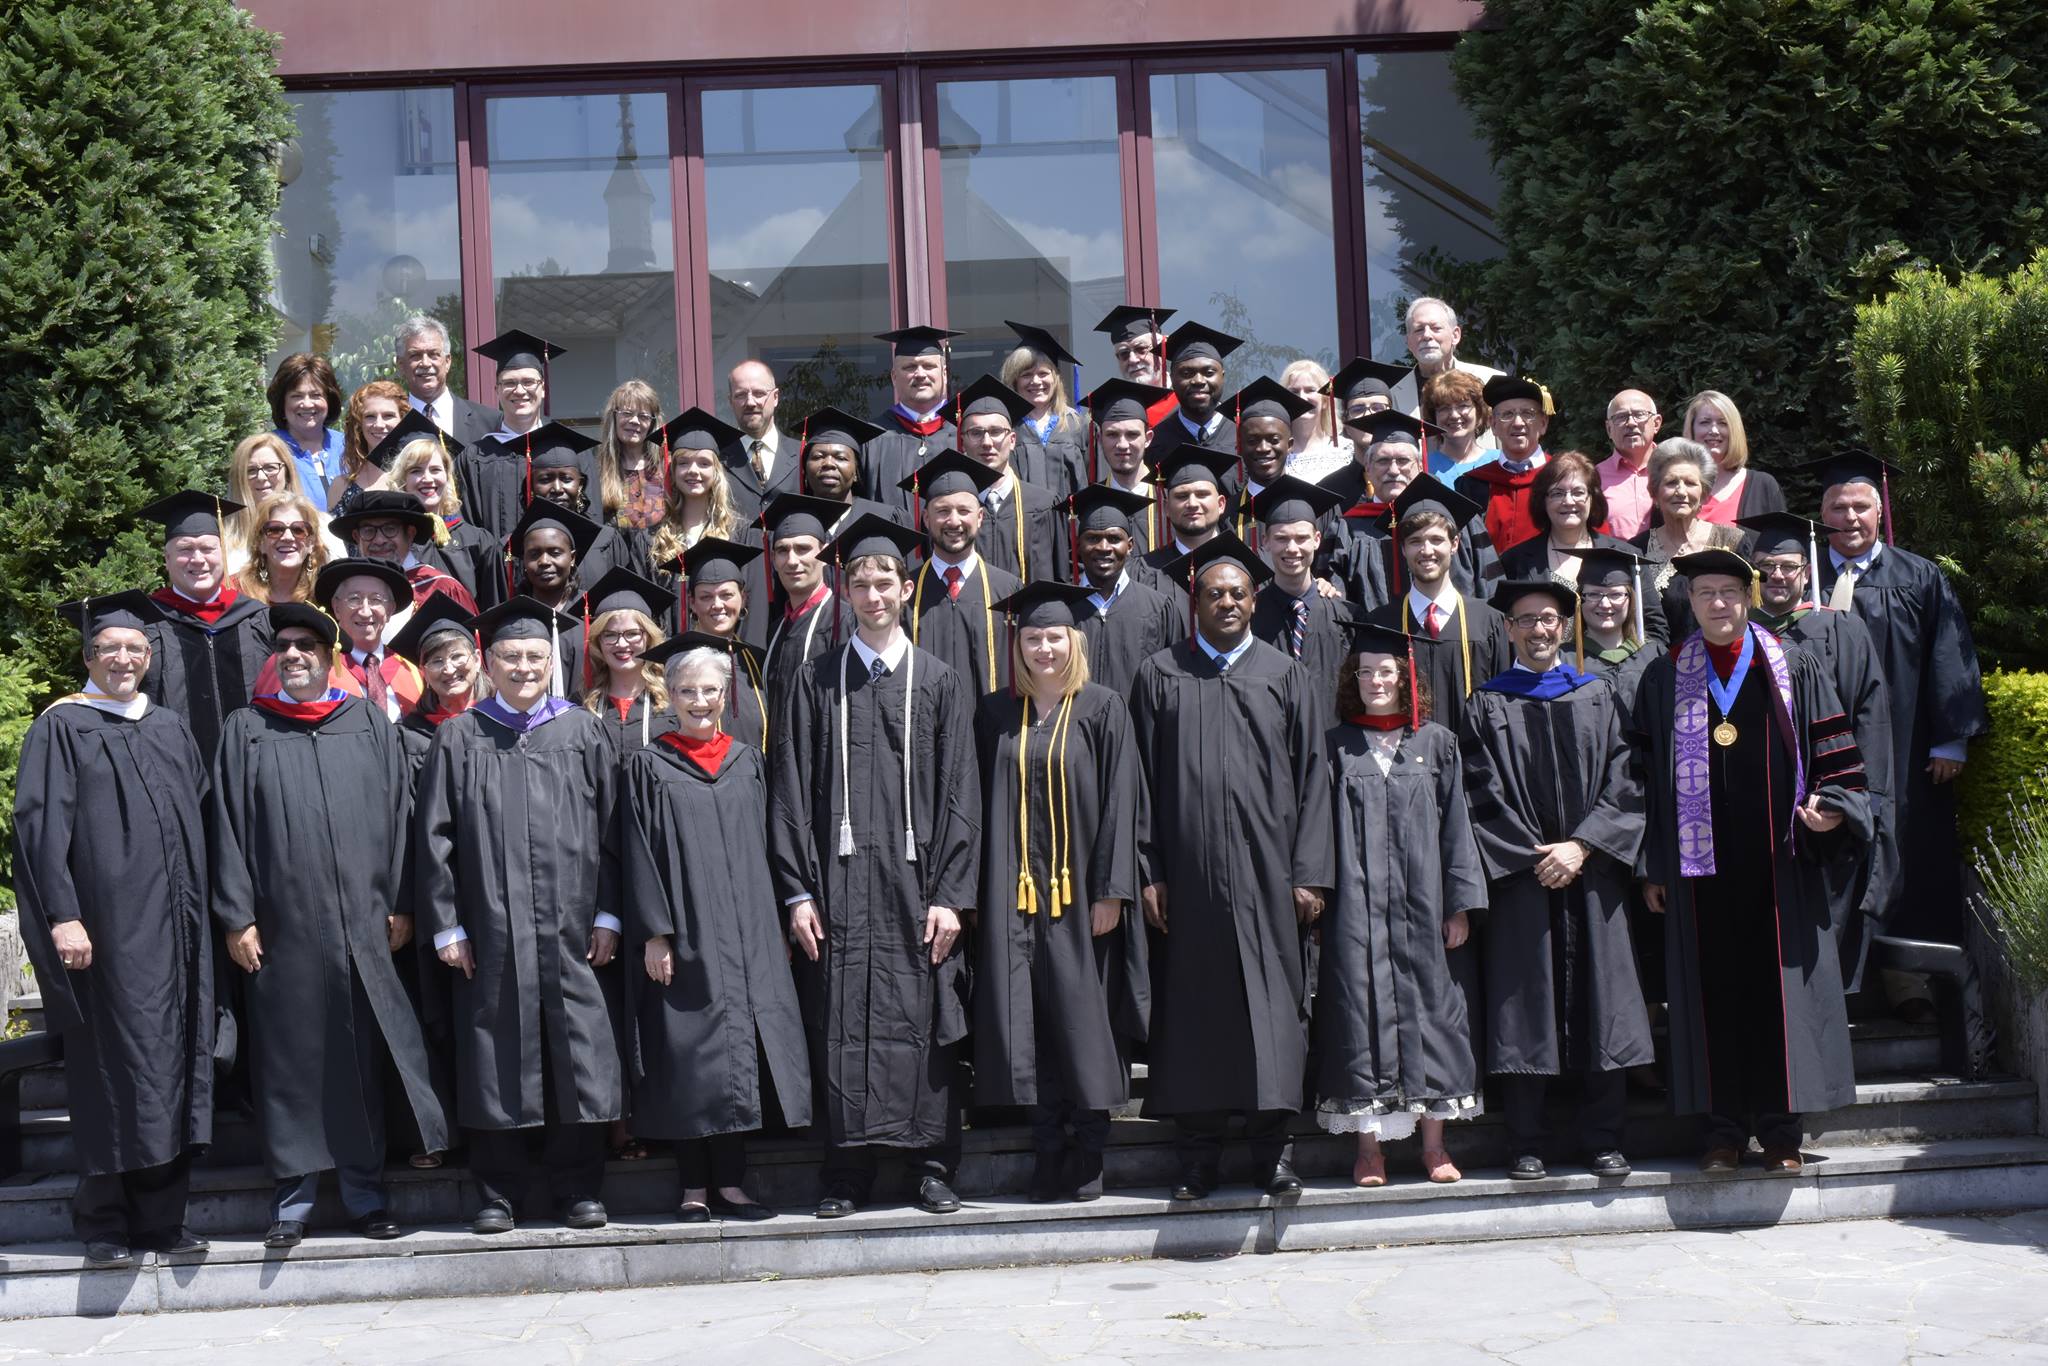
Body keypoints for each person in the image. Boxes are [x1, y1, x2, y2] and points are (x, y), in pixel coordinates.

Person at [211, 601, 448, 1249]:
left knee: (360, 1061)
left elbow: (401, 818)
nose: (293, 655)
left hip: (363, 928)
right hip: (279, 931)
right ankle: (292, 1202)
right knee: (289, 1062)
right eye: (283, 646)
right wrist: (236, 916)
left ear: (328, 656)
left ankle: (366, 1197)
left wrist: (402, 902)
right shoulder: (246, 728)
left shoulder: (366, 721)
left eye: (307, 646)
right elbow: (226, 826)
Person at [769, 514, 980, 1218]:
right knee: (841, 1018)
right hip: (837, 888)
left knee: (925, 1014)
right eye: (859, 583)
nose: (873, 594)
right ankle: (846, 1172)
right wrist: (797, 891)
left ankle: (931, 1165)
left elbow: (962, 794)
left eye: (884, 581)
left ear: (905, 587)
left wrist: (950, 895)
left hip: (917, 890)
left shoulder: (940, 681)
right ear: (845, 591)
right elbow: (790, 789)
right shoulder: (815, 682)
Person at [1635, 548, 1871, 1175]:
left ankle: (1781, 1133)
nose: (1717, 603)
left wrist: (1834, 809)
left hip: (1780, 863)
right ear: (1690, 601)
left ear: (1749, 597)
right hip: (1697, 872)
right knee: (1712, 994)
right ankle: (1722, 1133)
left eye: (1729, 592)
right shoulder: (1664, 676)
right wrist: (1653, 863)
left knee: (1778, 995)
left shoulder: (1792, 665)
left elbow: (1836, 754)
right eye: (1704, 592)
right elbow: (1643, 779)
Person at [12, 592, 214, 1267]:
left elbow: (202, 817)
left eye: (135, 648)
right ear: (88, 656)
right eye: (110, 649)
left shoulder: (168, 726)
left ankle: (163, 1221)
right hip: (106, 930)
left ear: (148, 658)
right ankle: (104, 1222)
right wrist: (63, 915)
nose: (123, 659)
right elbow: (41, 830)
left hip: (177, 929)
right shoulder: (63, 726)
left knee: (172, 1065)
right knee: (112, 1066)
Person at [1130, 533, 1333, 1200]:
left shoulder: (1285, 675)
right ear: (1196, 602)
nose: (1227, 603)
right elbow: (1140, 784)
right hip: (1188, 881)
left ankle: (1274, 1156)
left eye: (1238, 594)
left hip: (1270, 880)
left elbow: (1313, 779)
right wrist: (1150, 871)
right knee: (1195, 1018)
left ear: (1253, 601)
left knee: (1273, 1016)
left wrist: (1309, 874)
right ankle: (1197, 1160)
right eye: (1214, 593)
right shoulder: (1160, 674)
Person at [414, 596, 626, 1234]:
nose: (524, 667)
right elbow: (434, 838)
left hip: (573, 926)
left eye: (535, 656)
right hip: (492, 928)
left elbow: (615, 831)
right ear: (489, 663)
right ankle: (497, 1192)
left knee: (576, 1052)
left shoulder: (582, 731)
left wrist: (611, 915)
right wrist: (447, 924)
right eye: (511, 657)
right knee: (494, 1050)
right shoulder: (460, 736)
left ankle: (578, 1187)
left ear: (551, 661)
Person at [1459, 579, 1651, 1182]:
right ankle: (1526, 1142)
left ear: (1565, 628)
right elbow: (1477, 793)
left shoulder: (1599, 695)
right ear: (1508, 629)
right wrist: (1535, 856)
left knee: (1605, 998)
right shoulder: (1486, 704)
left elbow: (1628, 777)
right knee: (1525, 1004)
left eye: (1548, 619)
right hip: (1523, 879)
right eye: (1526, 620)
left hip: (1593, 875)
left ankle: (1604, 1139)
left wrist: (1583, 845)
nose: (1539, 630)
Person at [618, 640, 812, 1222]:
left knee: (738, 1052)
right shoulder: (648, 764)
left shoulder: (748, 761)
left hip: (749, 929)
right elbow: (637, 852)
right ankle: (693, 1189)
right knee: (690, 1056)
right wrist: (655, 934)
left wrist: (781, 915)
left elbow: (774, 844)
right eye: (687, 691)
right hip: (686, 932)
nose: (699, 701)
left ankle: (731, 1184)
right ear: (669, 697)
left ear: (726, 696)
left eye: (709, 690)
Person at [973, 581, 1146, 1203]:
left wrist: (1112, 892)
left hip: (1081, 899)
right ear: (1016, 645)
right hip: (1011, 898)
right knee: (1031, 1022)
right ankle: (1047, 1150)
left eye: (1054, 637)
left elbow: (1124, 802)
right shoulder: (995, 713)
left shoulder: (1102, 707)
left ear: (1075, 641)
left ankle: (1089, 1151)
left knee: (1083, 1022)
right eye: (1032, 638)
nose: (1043, 648)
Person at [1315, 619, 1486, 1187]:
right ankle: (1369, 1151)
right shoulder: (1335, 745)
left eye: (1385, 671)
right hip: (1355, 909)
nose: (1375, 682)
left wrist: (1459, 904)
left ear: (1406, 676)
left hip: (1425, 906)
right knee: (1359, 1012)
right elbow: (1316, 830)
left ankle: (1434, 1146)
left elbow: (1457, 829)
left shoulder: (1436, 743)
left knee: (1434, 1014)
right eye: (1364, 673)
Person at [1813, 450, 1988, 957]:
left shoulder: (1918, 576)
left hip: (1907, 743)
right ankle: (1836, 974)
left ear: (1879, 511)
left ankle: (1915, 972)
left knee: (1911, 842)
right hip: (1827, 744)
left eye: (1860, 507)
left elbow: (1948, 653)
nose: (1850, 518)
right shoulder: (1803, 578)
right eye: (1838, 507)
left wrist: (1950, 740)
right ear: (1821, 514)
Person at [1740, 510, 1897, 994]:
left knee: (1824, 923)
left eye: (1788, 566)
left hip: (1822, 808)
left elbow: (1870, 718)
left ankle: (1828, 1011)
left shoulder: (1841, 630)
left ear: (1806, 571)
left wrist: (1845, 798)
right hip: (1757, 808)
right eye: (1766, 567)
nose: (1777, 576)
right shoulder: (1735, 635)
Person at [1363, 474, 1511, 739]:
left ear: (1454, 544)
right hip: (1403, 760)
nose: (1426, 550)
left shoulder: (1489, 622)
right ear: (1403, 549)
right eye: (1415, 541)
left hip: (1476, 759)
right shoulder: (1382, 625)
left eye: (1436, 539)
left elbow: (1504, 708)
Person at [137, 489, 270, 757]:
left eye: (208, 549)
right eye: (185, 549)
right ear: (167, 559)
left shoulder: (257, 618)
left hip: (254, 762)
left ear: (222, 554)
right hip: (175, 765)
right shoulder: (147, 623)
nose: (198, 559)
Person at [1498, 451, 1669, 647]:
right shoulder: (1516, 561)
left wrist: (1631, 662)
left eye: (1578, 492)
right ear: (1543, 501)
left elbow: (1655, 628)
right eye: (1557, 493)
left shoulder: (1628, 556)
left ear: (1592, 498)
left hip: (1617, 665)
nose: (1568, 501)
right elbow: (1505, 630)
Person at [457, 329, 600, 540]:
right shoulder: (474, 458)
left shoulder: (573, 451)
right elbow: (467, 530)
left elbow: (592, 520)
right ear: (497, 390)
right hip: (496, 561)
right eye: (509, 383)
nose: (519, 391)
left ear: (543, 389)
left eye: (528, 382)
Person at [902, 448, 1022, 697]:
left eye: (964, 511)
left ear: (980, 517)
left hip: (991, 721)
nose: (954, 521)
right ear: (926, 519)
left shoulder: (1008, 591)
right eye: (942, 511)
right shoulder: (905, 593)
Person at [1249, 475, 1352, 724]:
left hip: (1331, 741)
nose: (1292, 549)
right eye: (1281, 538)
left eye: (1302, 538)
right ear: (1265, 542)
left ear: (1317, 540)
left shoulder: (1345, 617)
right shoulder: (1250, 618)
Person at [1069, 484, 1187, 694]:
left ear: (1130, 546)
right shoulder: (1064, 607)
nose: (1104, 548)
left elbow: (1174, 683)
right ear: (1078, 546)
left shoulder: (1159, 608)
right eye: (1093, 538)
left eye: (1114, 539)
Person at [954, 375, 1068, 583]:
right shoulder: (953, 510)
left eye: (996, 431)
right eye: (976, 433)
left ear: (1013, 440)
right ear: (962, 443)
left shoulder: (1045, 505)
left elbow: (1061, 578)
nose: (987, 442)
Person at [388, 421, 504, 613]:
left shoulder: (478, 541)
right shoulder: (393, 541)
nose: (427, 479)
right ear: (402, 480)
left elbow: (494, 611)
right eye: (416, 471)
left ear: (447, 476)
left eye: (435, 470)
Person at [760, 493, 858, 718]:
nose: (792, 561)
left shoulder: (844, 621)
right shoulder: (776, 630)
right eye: (782, 550)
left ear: (824, 553)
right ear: (773, 559)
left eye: (802, 548)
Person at [1634, 438, 1746, 635]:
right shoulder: (1637, 551)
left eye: (1690, 483)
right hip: (1660, 654)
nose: (1681, 491)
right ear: (1655, 493)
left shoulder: (1732, 541)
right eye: (1671, 483)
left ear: (1704, 493)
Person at [506, 498, 604, 694]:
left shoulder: (594, 612)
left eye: (555, 552)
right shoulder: (512, 615)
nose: (544, 561)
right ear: (524, 560)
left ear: (572, 558)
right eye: (534, 554)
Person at [862, 325, 962, 513]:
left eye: (929, 366)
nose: (920, 374)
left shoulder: (965, 433)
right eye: (910, 367)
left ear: (945, 374)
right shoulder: (872, 438)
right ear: (894, 377)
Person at [579, 567, 679, 754]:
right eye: (610, 635)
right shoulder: (582, 703)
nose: (622, 643)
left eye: (632, 634)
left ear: (649, 637)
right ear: (598, 641)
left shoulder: (672, 700)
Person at [313, 556, 426, 722]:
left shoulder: (412, 672)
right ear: (336, 608)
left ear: (390, 610)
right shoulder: (318, 668)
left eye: (376, 600)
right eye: (354, 599)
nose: (365, 612)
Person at [329, 489, 478, 615]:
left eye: (390, 529)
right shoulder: (346, 593)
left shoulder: (443, 590)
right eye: (368, 531)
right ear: (356, 537)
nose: (379, 540)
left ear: (410, 533)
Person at [680, 539, 772, 742]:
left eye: (726, 595)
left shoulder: (758, 662)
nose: (717, 605)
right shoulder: (678, 662)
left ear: (743, 598)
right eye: (706, 597)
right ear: (692, 603)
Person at [387, 592, 489, 775]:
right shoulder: (410, 736)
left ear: (476, 659)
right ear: (423, 671)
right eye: (437, 661)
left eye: (457, 656)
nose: (448, 669)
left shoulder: (501, 719)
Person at [1458, 375, 1553, 554]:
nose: (1518, 423)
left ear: (1543, 423)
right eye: (1507, 414)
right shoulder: (1472, 485)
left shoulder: (1563, 478)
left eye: (1528, 414)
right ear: (1493, 425)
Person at [647, 407, 746, 575]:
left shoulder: (740, 533)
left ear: (716, 472)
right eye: (683, 463)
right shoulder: (652, 539)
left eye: (704, 463)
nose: (693, 470)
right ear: (673, 472)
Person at [1081, 378, 1172, 554]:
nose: (1122, 445)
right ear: (1099, 439)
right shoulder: (1089, 506)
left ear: (1148, 439)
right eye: (1112, 434)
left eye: (1132, 434)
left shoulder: (1172, 500)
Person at [1003, 321, 1090, 500]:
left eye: (1043, 373)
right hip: (1021, 515)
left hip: (1069, 516)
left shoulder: (1076, 424)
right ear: (1015, 381)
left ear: (1055, 378)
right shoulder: (1006, 425)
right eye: (1026, 375)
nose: (1036, 381)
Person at [396, 313, 502, 449]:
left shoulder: (491, 423)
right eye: (415, 355)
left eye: (433, 354)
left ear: (447, 362)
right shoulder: (387, 423)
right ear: (401, 365)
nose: (425, 363)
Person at [1389, 297, 1504, 422]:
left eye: (1436, 328)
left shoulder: (1491, 381)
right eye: (1419, 330)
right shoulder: (1392, 395)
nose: (1427, 335)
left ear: (1455, 335)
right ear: (1408, 341)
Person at [1135, 446, 1237, 580]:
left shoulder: (1243, 562)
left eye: (1202, 494)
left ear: (1221, 504)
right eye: (1182, 496)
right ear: (1166, 508)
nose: (1192, 504)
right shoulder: (1145, 571)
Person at [1685, 390, 1785, 525]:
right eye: (1705, 422)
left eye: (1723, 423)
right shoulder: (1674, 486)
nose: (1714, 431)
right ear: (1692, 429)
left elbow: (1782, 537)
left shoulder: (1763, 486)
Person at [1148, 322, 1242, 461]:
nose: (1198, 381)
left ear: (1222, 377)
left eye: (1209, 373)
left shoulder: (1245, 437)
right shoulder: (1155, 443)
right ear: (1172, 379)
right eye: (1186, 373)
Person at [722, 359, 799, 527]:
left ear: (775, 397)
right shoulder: (717, 460)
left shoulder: (803, 455)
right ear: (730, 401)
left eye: (759, 393)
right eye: (741, 395)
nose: (750, 402)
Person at [267, 352, 346, 513]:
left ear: (329, 400)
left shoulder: (349, 446)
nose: (307, 404)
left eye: (316, 395)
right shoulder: (267, 451)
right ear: (282, 403)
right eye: (297, 396)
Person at [225, 432, 308, 575]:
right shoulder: (221, 539)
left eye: (270, 468)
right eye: (251, 470)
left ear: (288, 473)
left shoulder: (320, 527)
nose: (261, 477)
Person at [593, 379, 668, 529]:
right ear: (614, 417)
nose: (634, 421)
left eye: (643, 416)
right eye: (627, 413)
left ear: (652, 423)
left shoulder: (666, 466)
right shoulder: (596, 468)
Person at [234, 491, 331, 606]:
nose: (288, 537)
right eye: (275, 530)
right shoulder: (234, 591)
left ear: (312, 543)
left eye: (298, 530)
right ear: (260, 542)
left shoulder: (327, 594)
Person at [331, 380, 408, 518]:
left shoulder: (416, 479)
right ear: (359, 424)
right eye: (370, 416)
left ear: (402, 420)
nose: (379, 424)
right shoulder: (340, 485)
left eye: (388, 416)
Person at [1596, 389, 1662, 540]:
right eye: (1621, 417)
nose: (1631, 423)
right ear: (1609, 429)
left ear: (1656, 423)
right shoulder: (1594, 478)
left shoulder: (1675, 469)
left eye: (1639, 414)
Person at [1280, 357, 1352, 485]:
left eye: (1310, 390)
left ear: (1325, 401)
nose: (1302, 398)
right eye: (1294, 391)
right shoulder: (1276, 455)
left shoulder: (1348, 451)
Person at [1420, 367, 1497, 479]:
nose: (1454, 415)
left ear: (1479, 412)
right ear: (1434, 416)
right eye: (1444, 408)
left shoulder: (1501, 462)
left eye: (1463, 406)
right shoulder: (1423, 467)